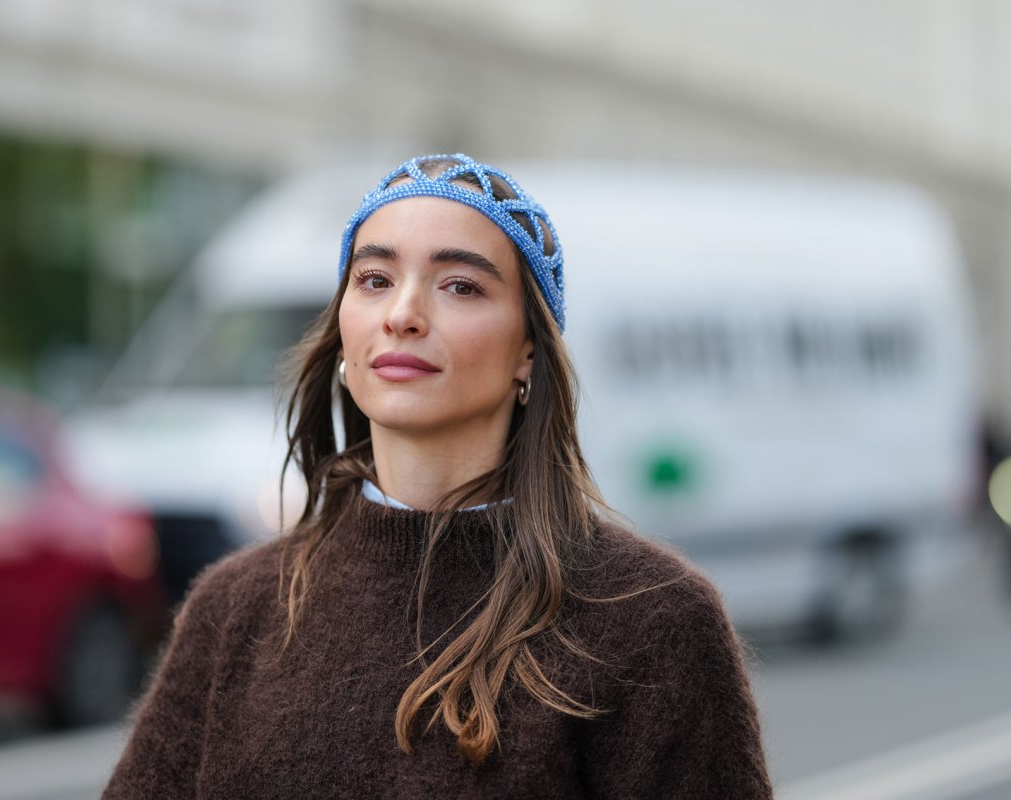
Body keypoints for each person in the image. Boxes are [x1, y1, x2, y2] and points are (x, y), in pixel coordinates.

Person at [102, 154, 774, 799]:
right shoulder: (233, 611)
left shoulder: (654, 618)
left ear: (528, 352)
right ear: (343, 332)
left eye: (460, 285)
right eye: (374, 280)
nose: (403, 314)